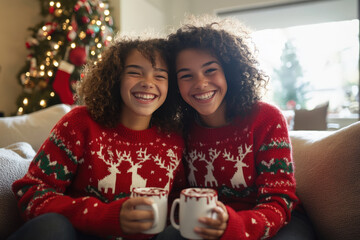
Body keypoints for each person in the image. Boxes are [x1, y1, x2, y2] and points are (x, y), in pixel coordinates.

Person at [8, 35, 185, 240]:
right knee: (52, 227)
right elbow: (31, 192)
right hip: (81, 235)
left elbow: (177, 199)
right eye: (135, 73)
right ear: (116, 77)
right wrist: (103, 215)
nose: (148, 83)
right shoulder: (79, 124)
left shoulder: (175, 139)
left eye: (160, 76)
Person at [159, 16, 316, 240]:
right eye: (186, 76)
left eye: (210, 70)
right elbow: (177, 193)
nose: (200, 83)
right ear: (174, 84)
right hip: (208, 224)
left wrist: (236, 225)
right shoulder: (179, 130)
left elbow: (279, 198)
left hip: (275, 220)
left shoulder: (266, 118)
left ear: (230, 72)